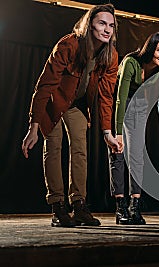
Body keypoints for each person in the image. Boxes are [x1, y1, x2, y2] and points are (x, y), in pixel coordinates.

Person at [21, 4, 120, 227]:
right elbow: (45, 85)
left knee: (80, 149)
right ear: (89, 24)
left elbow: (106, 96)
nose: (107, 29)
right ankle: (58, 206)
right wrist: (34, 124)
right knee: (53, 147)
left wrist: (107, 132)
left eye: (111, 25)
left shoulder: (110, 55)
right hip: (54, 102)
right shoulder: (69, 44)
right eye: (102, 23)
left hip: (76, 104)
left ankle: (79, 205)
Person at [109, 32, 159, 225]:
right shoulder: (131, 63)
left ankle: (134, 205)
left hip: (139, 105)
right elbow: (120, 98)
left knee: (136, 155)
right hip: (119, 104)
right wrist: (118, 133)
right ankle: (120, 206)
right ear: (150, 49)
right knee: (118, 152)